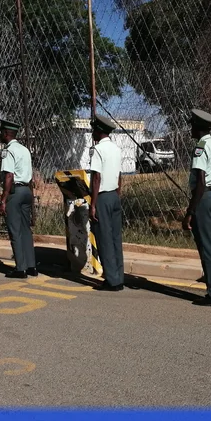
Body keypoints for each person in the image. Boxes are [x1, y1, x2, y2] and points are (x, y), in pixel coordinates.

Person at [182, 109, 211, 306]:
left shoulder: (200, 147)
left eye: (192, 125)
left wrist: (190, 211)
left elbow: (200, 182)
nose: (190, 129)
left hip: (205, 196)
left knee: (207, 246)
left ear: (198, 127)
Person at [0, 119, 37, 279]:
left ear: (6, 134)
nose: (0, 135)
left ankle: (20, 268)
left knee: (15, 231)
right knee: (25, 230)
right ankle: (31, 266)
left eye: (1, 132)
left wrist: (3, 199)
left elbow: (9, 175)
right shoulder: (24, 149)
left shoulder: (8, 151)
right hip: (27, 191)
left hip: (14, 192)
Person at [89, 114, 124, 291]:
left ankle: (112, 280)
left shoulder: (98, 150)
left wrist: (93, 204)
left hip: (102, 197)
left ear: (99, 131)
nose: (92, 133)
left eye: (94, 129)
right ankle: (119, 275)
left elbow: (96, 177)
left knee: (104, 238)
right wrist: (117, 194)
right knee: (116, 238)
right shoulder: (116, 149)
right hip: (114, 196)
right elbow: (119, 175)